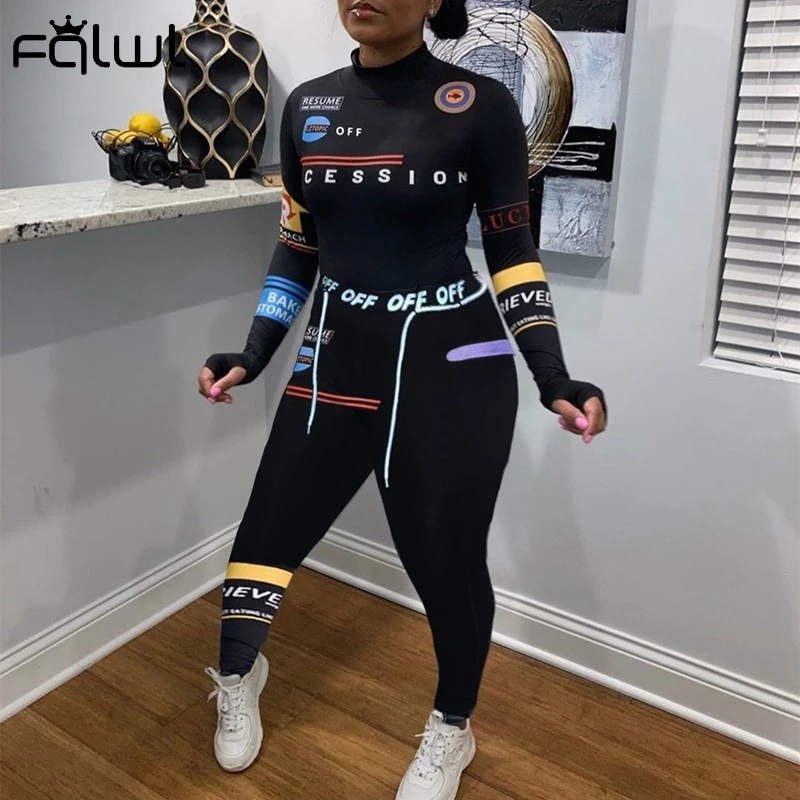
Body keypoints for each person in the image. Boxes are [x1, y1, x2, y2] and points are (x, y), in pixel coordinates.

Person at [197, 0, 607, 797]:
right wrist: (253, 351)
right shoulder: (308, 104)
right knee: (266, 536)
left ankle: (453, 728)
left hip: (453, 367)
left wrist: (553, 374)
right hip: (335, 359)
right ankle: (240, 675)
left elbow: (511, 246)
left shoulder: (480, 105)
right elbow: (299, 244)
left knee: (447, 565)